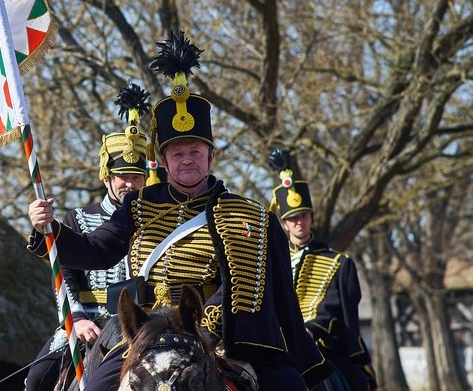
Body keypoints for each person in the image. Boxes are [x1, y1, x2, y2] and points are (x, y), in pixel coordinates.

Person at [27, 30, 330, 391]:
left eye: (195, 152)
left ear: (210, 157)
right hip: (144, 330)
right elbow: (96, 249)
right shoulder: (137, 206)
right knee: (95, 388)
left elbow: (260, 291)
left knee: (289, 387)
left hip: (218, 331)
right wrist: (51, 229)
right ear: (165, 162)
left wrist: (202, 323)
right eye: (177, 153)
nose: (187, 160)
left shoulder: (249, 216)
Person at [24, 82, 156, 391]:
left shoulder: (156, 217)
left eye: (137, 177)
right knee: (36, 379)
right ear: (107, 176)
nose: (131, 184)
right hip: (88, 321)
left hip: (141, 321)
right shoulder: (78, 218)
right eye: (124, 177)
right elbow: (65, 275)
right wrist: (78, 319)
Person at [269, 148, 378, 391]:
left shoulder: (338, 263)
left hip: (322, 346)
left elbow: (340, 312)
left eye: (304, 216)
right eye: (293, 218)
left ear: (311, 218)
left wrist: (310, 329)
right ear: (285, 224)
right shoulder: (274, 262)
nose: (300, 222)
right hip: (282, 343)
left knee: (352, 383)